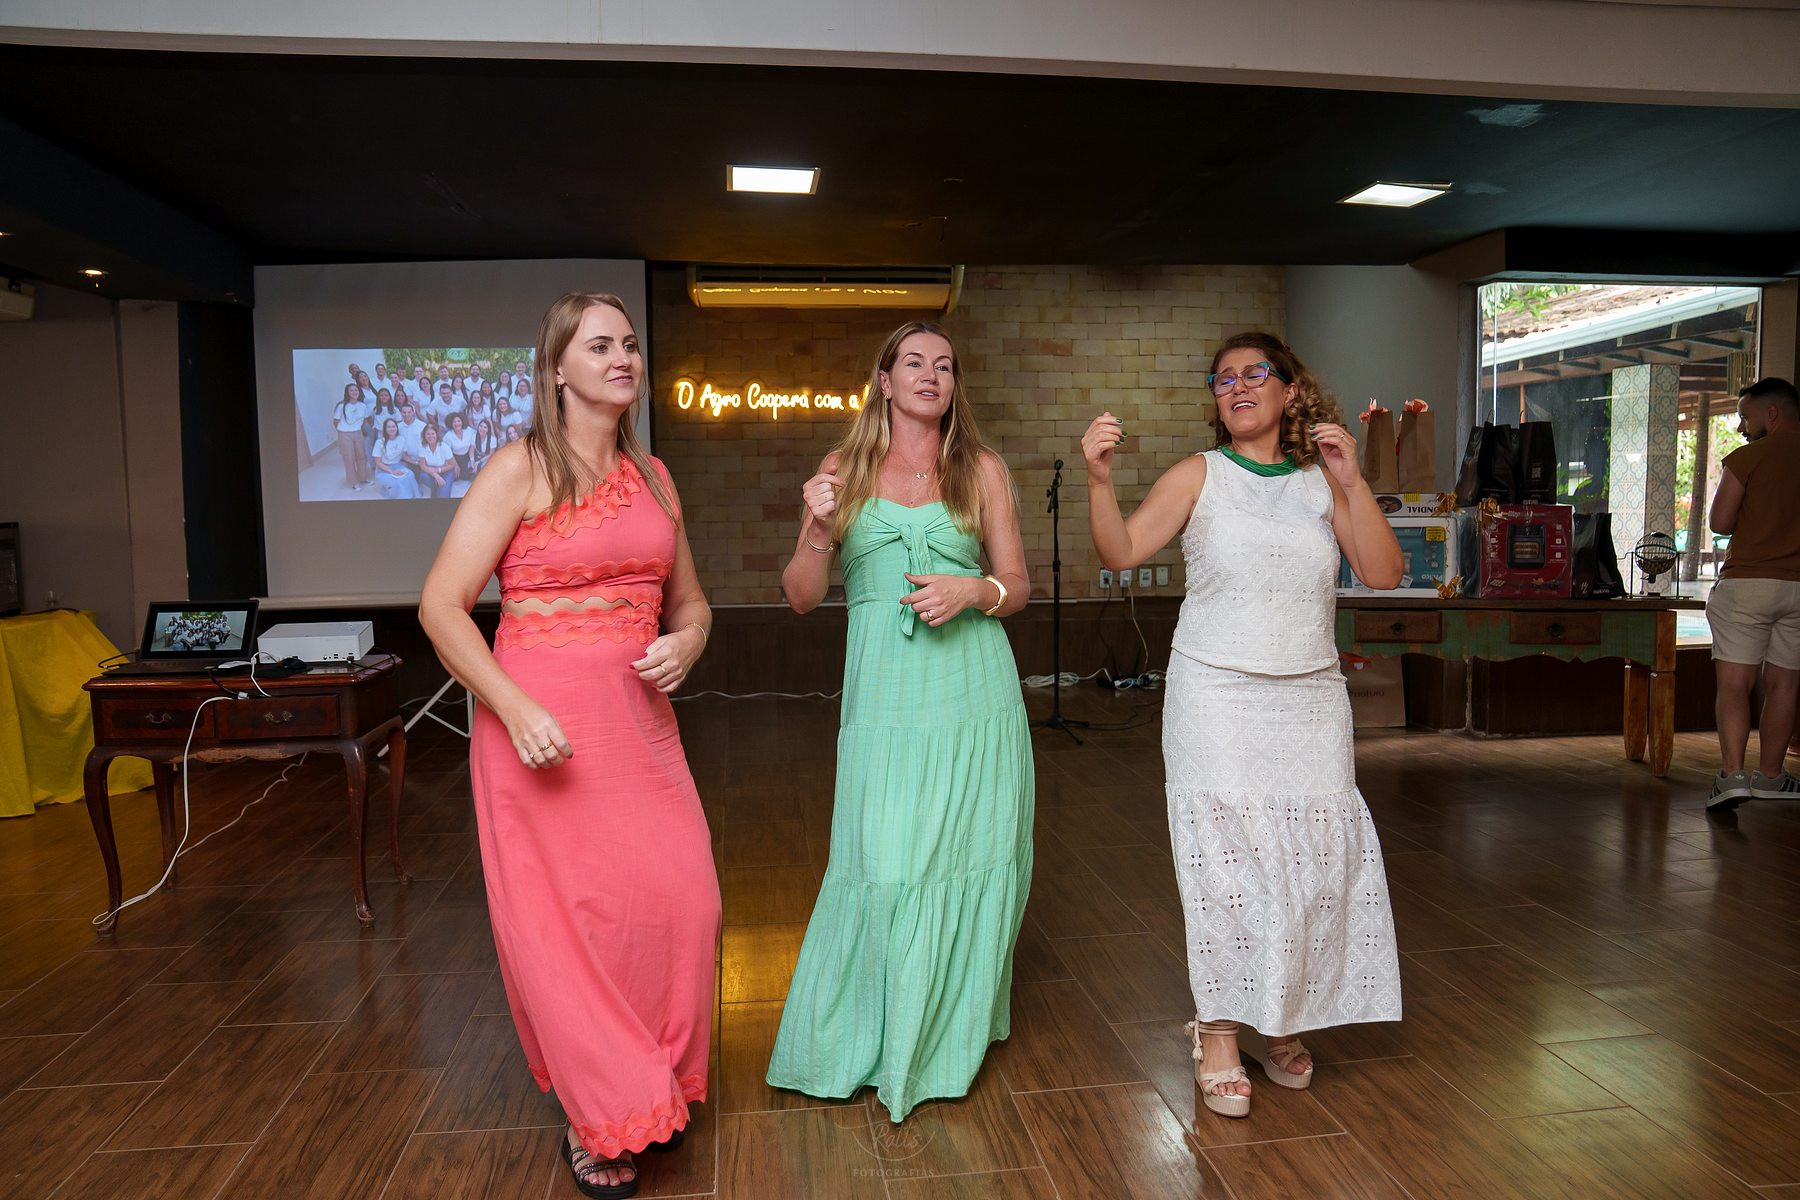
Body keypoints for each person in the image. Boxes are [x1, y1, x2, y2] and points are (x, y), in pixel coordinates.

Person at [420, 292, 718, 1199]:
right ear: (556, 367)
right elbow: (441, 607)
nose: (622, 357)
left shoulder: (655, 476)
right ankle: (602, 1115)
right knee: (570, 927)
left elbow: (690, 603)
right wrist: (514, 709)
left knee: (686, 902)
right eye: (599, 346)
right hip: (537, 732)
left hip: (639, 726)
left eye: (629, 343)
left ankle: (648, 1082)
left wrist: (689, 641)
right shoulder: (518, 467)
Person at [1082, 331, 1403, 1119]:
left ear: (1290, 389)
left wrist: (1353, 481)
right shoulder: (1199, 475)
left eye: (1253, 373)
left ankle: (1282, 1016)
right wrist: (1098, 477)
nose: (1237, 387)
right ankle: (1221, 1031)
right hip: (1217, 694)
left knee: (1312, 865)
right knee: (1230, 867)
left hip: (1309, 697)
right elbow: (1121, 550)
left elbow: (1384, 572)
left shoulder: (1322, 481)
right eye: (1222, 379)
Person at [766, 320, 1033, 1124]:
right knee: (882, 863)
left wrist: (973, 590)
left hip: (975, 696)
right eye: (913, 362)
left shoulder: (981, 469)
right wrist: (818, 528)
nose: (930, 375)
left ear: (954, 386)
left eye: (944, 365)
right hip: (884, 704)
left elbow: (1016, 584)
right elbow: (800, 595)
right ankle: (863, 1036)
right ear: (883, 380)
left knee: (966, 855)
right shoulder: (841, 469)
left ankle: (942, 1036)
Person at [1704, 376, 1800, 811]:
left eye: (1745, 416)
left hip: (1747, 586)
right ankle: (1772, 777)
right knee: (1784, 685)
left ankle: (1733, 776)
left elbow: (1720, 523)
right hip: (1798, 587)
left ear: (1771, 414)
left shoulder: (1747, 458)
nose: (1741, 427)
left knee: (1735, 684)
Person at [332, 382, 372, 490]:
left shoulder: (362, 406)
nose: (354, 392)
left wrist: (359, 429)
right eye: (351, 390)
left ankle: (362, 478)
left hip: (358, 433)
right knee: (349, 458)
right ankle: (353, 482)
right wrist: (343, 431)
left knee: (361, 456)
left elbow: (364, 420)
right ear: (347, 392)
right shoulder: (341, 406)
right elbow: (335, 421)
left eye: (356, 390)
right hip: (345, 434)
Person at [371, 418, 421, 498]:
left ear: (397, 428)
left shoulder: (401, 439)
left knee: (410, 475)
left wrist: (417, 463)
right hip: (384, 469)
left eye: (393, 426)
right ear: (385, 429)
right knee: (399, 481)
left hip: (398, 465)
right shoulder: (379, 442)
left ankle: (411, 496)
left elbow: (404, 456)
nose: (392, 429)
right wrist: (392, 471)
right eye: (389, 427)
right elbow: (378, 462)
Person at [417, 422, 459, 497]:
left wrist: (438, 470)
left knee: (443, 496)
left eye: (433, 433)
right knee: (423, 476)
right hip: (431, 471)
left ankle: (440, 487)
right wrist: (435, 475)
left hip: (446, 470)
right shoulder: (422, 447)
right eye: (428, 434)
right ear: (424, 436)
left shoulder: (444, 447)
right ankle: (436, 486)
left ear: (436, 434)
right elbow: (422, 466)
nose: (431, 436)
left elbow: (452, 464)